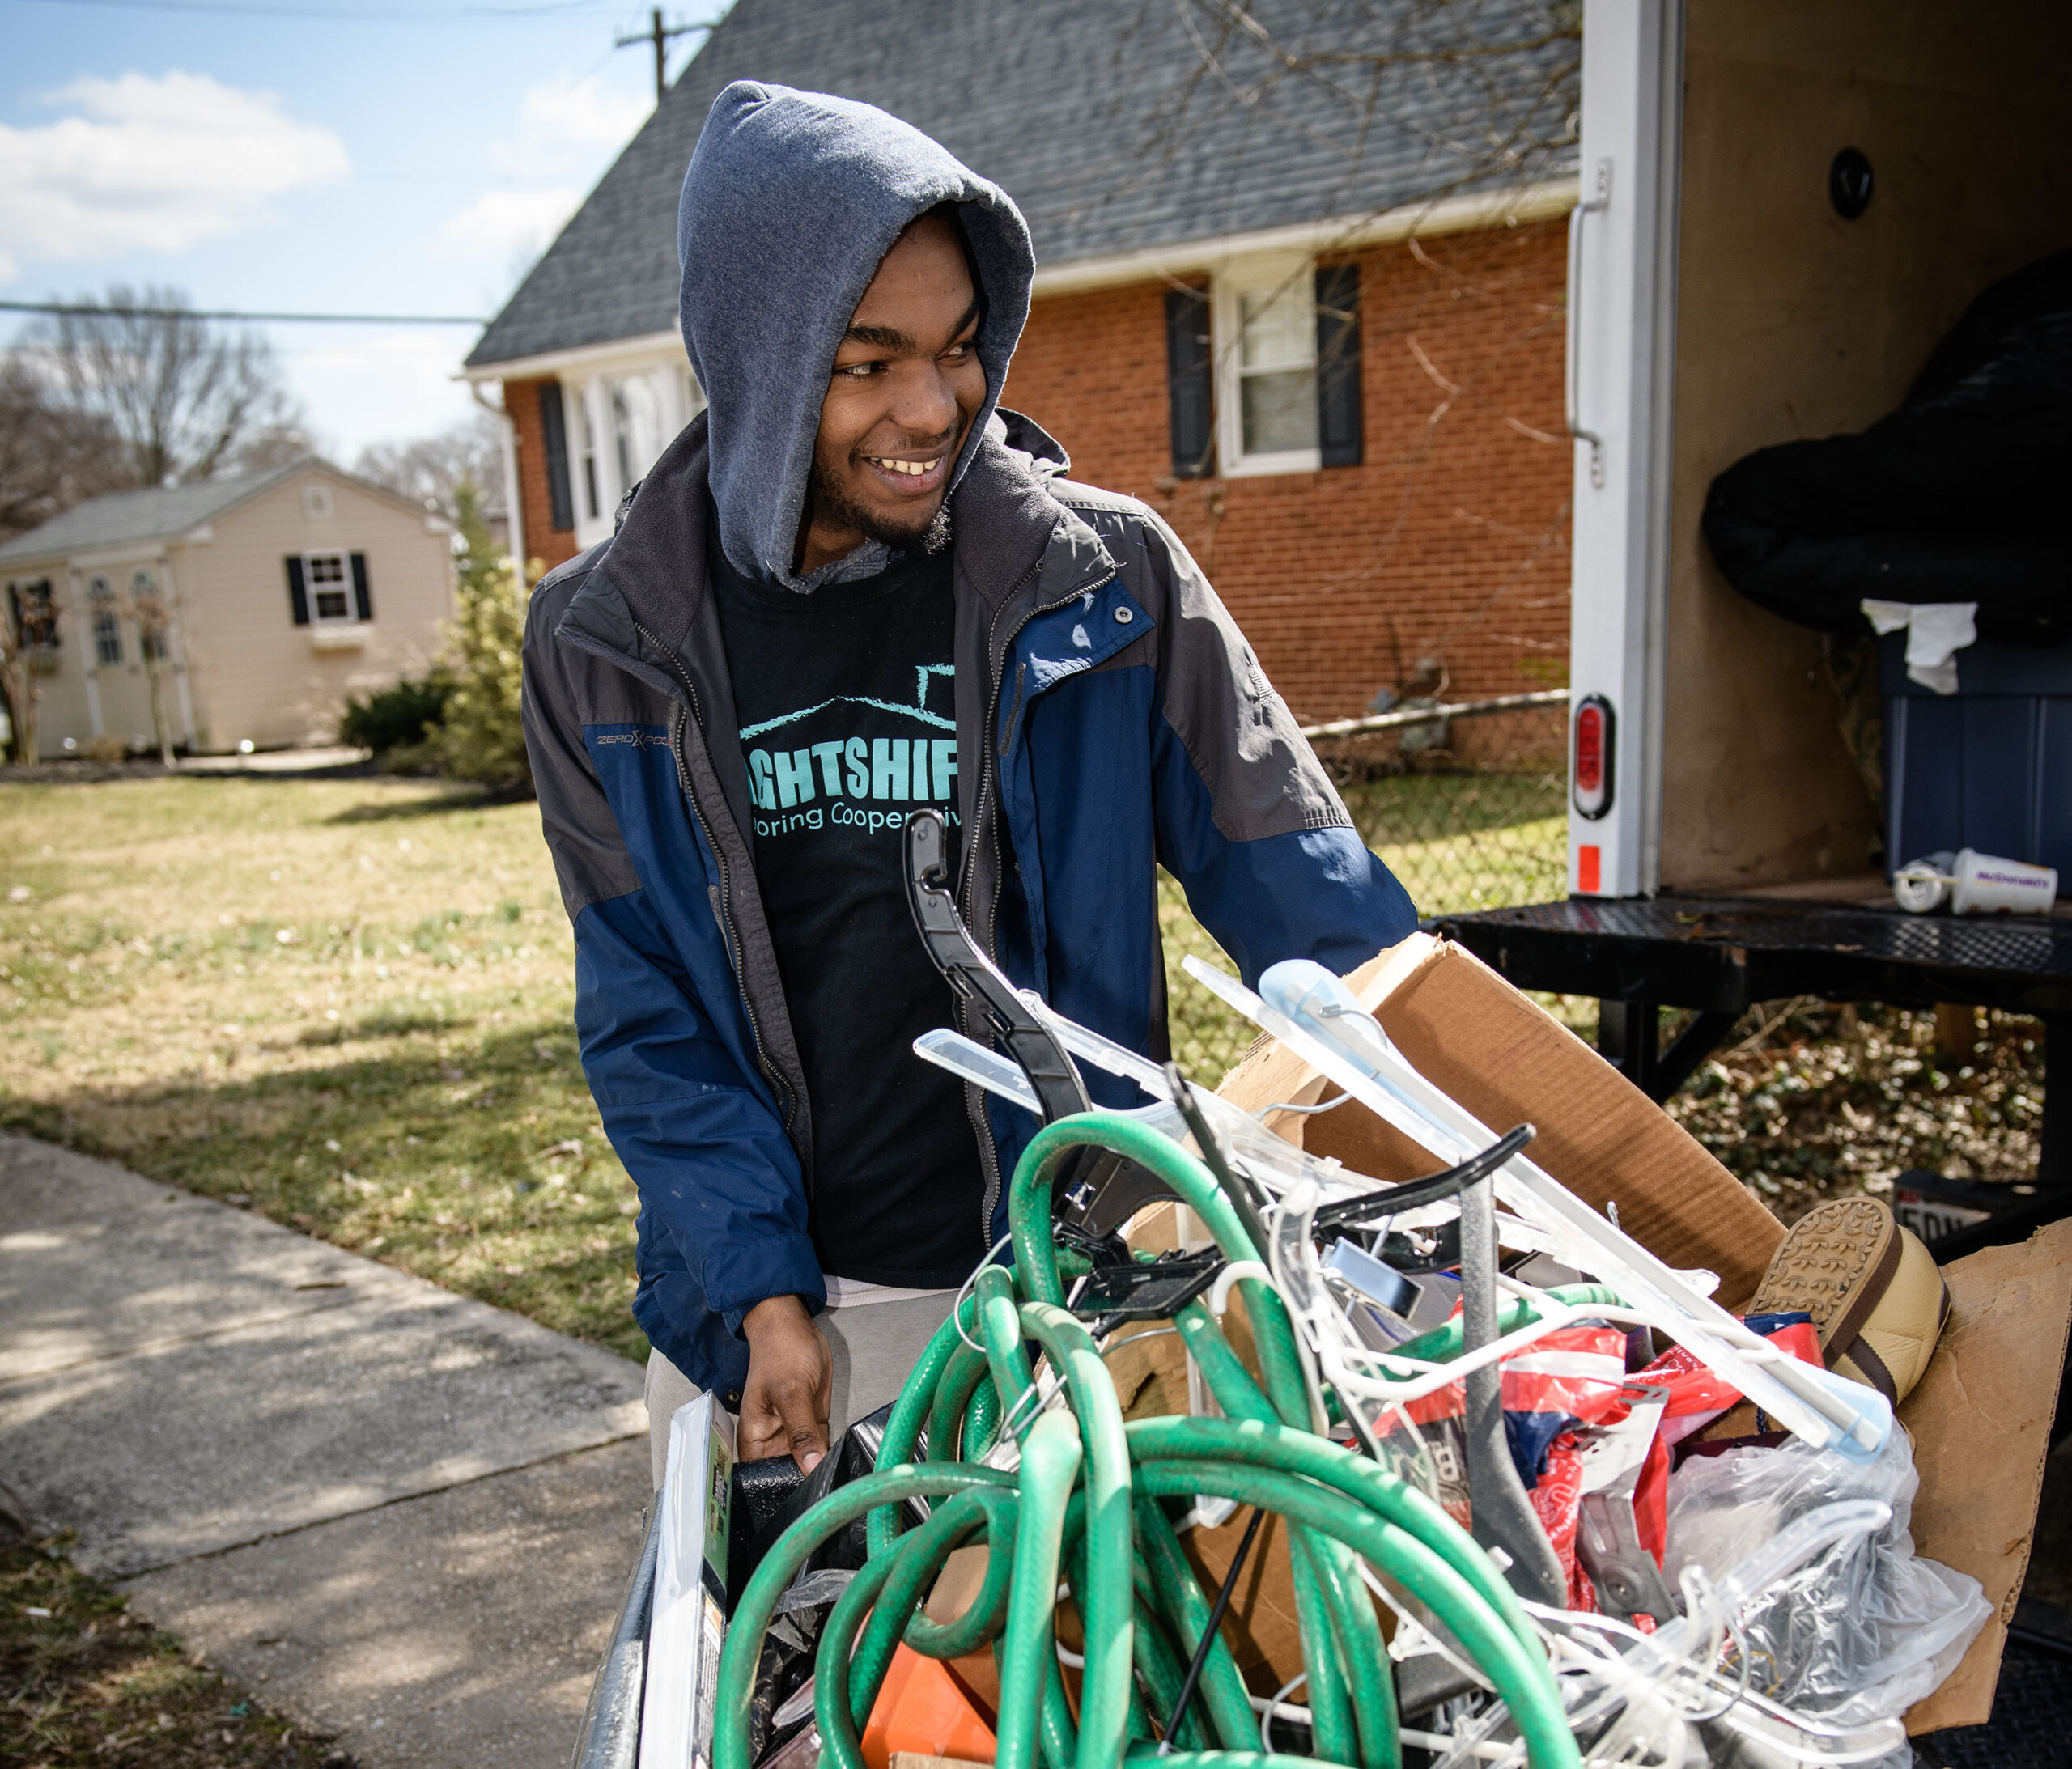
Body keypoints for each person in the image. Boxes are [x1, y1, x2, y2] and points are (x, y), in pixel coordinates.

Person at [521, 82, 1418, 1486]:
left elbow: (1314, 906)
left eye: (954, 350)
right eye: (867, 361)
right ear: (758, 357)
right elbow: (648, 1010)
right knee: (797, 1691)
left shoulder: (1102, 581)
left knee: (1103, 1686)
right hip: (802, 1319)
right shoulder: (606, 642)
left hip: (1085, 1286)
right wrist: (762, 1291)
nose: (930, 407)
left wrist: (1436, 1150)